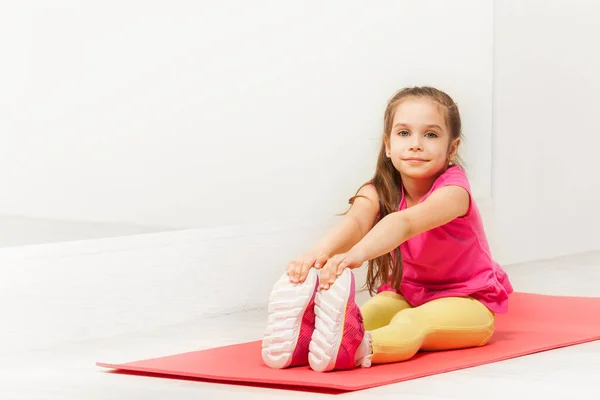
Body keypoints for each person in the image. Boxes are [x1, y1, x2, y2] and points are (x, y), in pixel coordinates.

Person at [261, 86, 513, 373]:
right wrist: (317, 254)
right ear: (388, 144)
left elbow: (404, 223)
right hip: (407, 294)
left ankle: (356, 349)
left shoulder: (454, 192)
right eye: (404, 133)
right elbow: (355, 222)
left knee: (412, 323)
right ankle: (306, 341)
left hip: (467, 300)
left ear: (451, 149)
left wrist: (354, 256)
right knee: (366, 313)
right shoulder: (378, 190)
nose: (416, 144)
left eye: (430, 135)